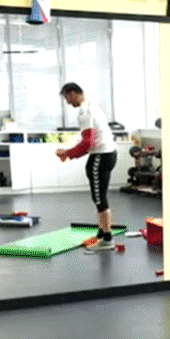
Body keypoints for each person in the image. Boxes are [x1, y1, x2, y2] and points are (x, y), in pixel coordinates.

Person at [56, 82, 119, 252]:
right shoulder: (92, 105)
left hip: (101, 156)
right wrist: (70, 152)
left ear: (73, 93)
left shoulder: (85, 112)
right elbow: (89, 140)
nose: (68, 102)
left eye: (67, 98)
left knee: (99, 198)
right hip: (106, 153)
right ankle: (102, 232)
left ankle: (108, 239)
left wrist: (67, 153)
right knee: (99, 196)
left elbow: (87, 143)